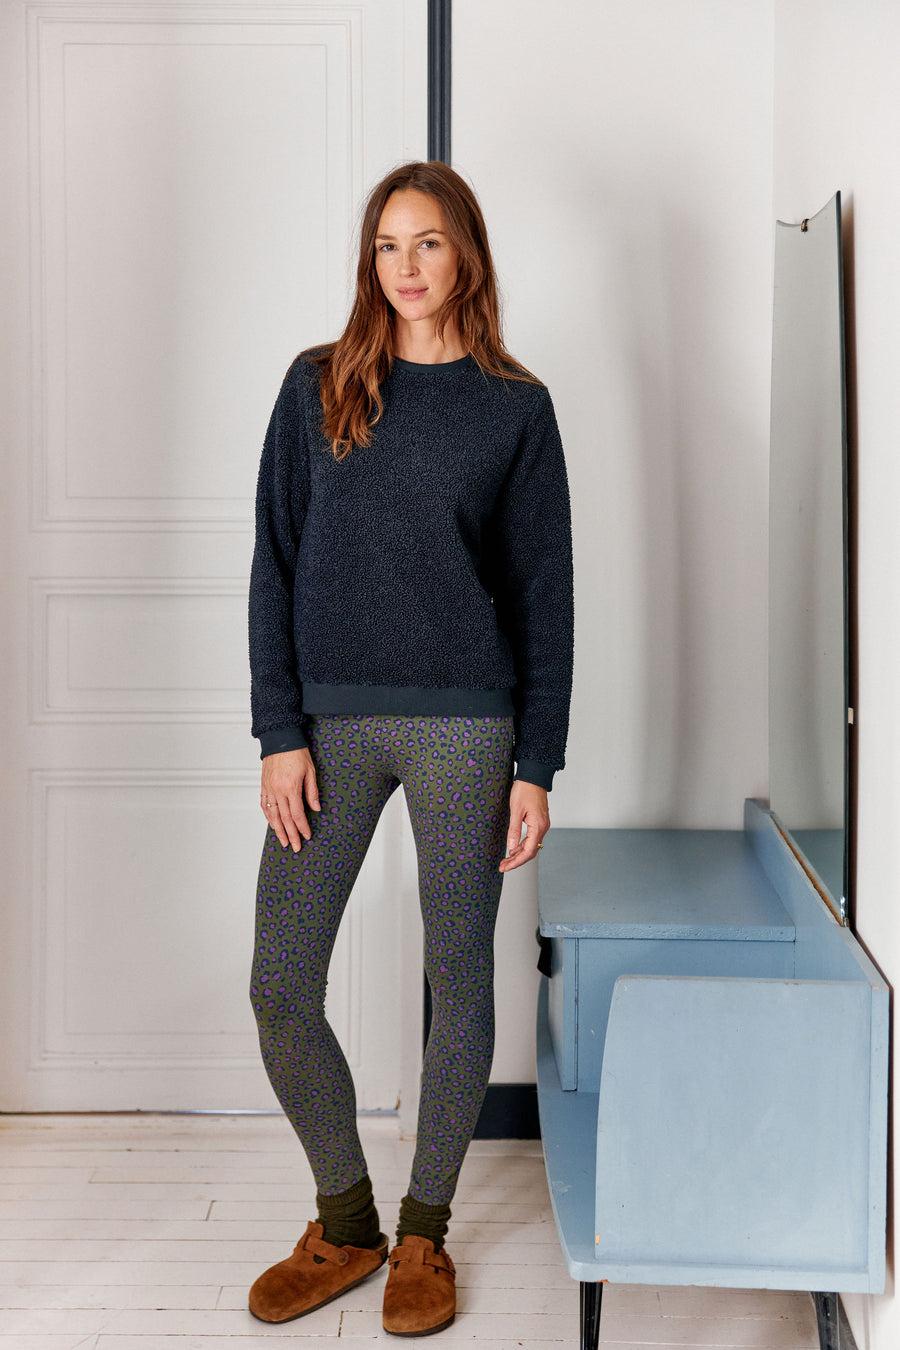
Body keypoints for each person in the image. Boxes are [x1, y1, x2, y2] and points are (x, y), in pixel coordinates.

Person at [246, 160, 574, 1337]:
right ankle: (347, 1221)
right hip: (328, 727)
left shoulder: (514, 409)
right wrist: (279, 732)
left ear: (465, 252)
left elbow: (544, 597)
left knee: (458, 978)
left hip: (466, 725)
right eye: (387, 244)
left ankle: (424, 1233)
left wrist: (537, 763)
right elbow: (273, 562)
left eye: (427, 241)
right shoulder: (318, 384)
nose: (406, 266)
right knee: (282, 983)